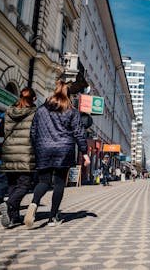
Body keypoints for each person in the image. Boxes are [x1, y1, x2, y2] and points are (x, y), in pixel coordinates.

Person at [24, 80, 90, 228]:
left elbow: (33, 131)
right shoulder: (72, 112)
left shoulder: (41, 110)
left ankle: (33, 203)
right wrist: (85, 153)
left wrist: (37, 148)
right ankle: (52, 217)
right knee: (59, 183)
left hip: (44, 150)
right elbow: (79, 133)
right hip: (63, 150)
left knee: (43, 182)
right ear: (69, 96)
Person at [0, 87, 38, 228]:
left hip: (8, 153)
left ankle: (14, 218)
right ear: (33, 99)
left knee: (13, 185)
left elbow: (0, 131)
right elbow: (36, 134)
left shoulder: (8, 111)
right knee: (24, 184)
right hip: (25, 153)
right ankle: (8, 205)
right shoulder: (34, 113)